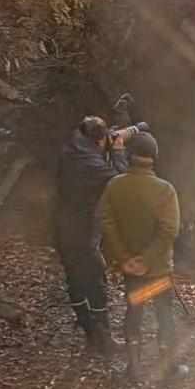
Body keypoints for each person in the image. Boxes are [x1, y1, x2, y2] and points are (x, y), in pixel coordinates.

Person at [96, 130, 182, 381]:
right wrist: (147, 260)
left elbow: (106, 222)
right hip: (158, 270)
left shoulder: (115, 185)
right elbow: (169, 231)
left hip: (131, 270)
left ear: (128, 155)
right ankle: (169, 367)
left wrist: (125, 259)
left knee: (134, 313)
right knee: (164, 315)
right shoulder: (165, 190)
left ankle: (134, 368)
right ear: (154, 157)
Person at [54, 116, 139, 355]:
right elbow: (123, 182)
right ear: (100, 140)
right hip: (83, 230)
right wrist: (118, 152)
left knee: (74, 278)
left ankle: (90, 333)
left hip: (61, 225)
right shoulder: (92, 165)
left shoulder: (72, 145)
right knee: (95, 282)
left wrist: (106, 142)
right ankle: (103, 339)